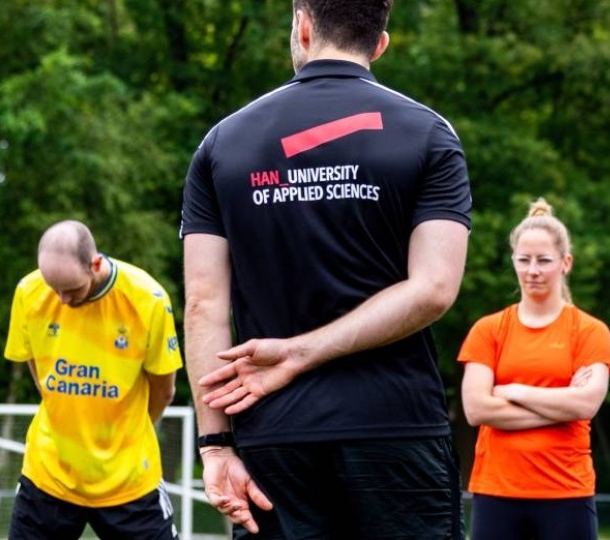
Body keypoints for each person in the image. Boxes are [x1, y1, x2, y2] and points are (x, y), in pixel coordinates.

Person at [180, 0, 473, 536]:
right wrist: (301, 354)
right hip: (395, 427)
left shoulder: (222, 143)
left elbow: (203, 304)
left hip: (274, 434)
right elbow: (433, 289)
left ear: (303, 25)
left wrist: (215, 444)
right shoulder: (428, 133)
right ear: (379, 44)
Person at [3, 221, 182, 540]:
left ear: (95, 264)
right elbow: (40, 374)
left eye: (72, 290)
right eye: (53, 288)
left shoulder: (147, 299)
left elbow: (164, 390)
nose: (61, 301)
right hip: (49, 476)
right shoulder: (28, 292)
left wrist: (125, 434)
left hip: (129, 483)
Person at [458, 199, 610, 539]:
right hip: (496, 490)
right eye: (524, 260)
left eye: (544, 261)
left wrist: (515, 392)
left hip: (566, 492)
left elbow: (586, 404)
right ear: (513, 262)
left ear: (565, 263)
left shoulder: (590, 331)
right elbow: (475, 408)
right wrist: (563, 405)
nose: (533, 270)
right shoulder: (488, 329)